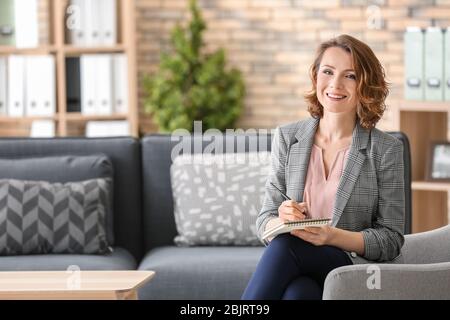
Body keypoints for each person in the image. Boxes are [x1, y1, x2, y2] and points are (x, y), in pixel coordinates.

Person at [241, 34, 405, 300]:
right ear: (316, 76)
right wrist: (281, 218)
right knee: (298, 293)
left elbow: (391, 240)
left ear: (365, 85)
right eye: (328, 71)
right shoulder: (287, 137)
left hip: (351, 267)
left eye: (350, 76)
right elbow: (264, 221)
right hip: (300, 266)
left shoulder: (385, 149)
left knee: (285, 247)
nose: (335, 84)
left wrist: (331, 237)